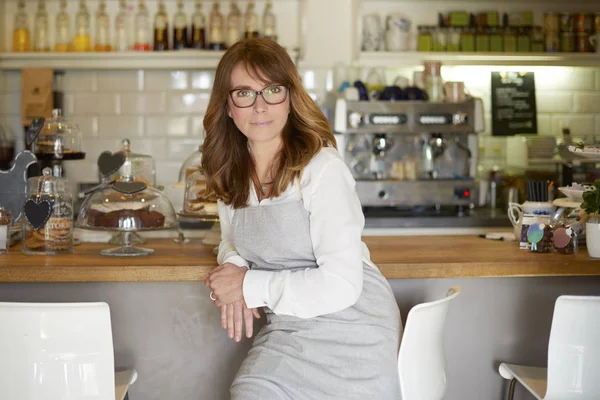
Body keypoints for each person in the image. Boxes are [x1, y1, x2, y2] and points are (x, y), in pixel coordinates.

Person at [203, 38, 401, 399]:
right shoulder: (231, 171)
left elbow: (341, 285)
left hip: (354, 334)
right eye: (244, 93)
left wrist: (248, 286)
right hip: (289, 331)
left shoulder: (322, 169)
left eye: (272, 91)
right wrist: (233, 267)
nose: (260, 107)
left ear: (291, 97)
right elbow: (231, 238)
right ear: (228, 106)